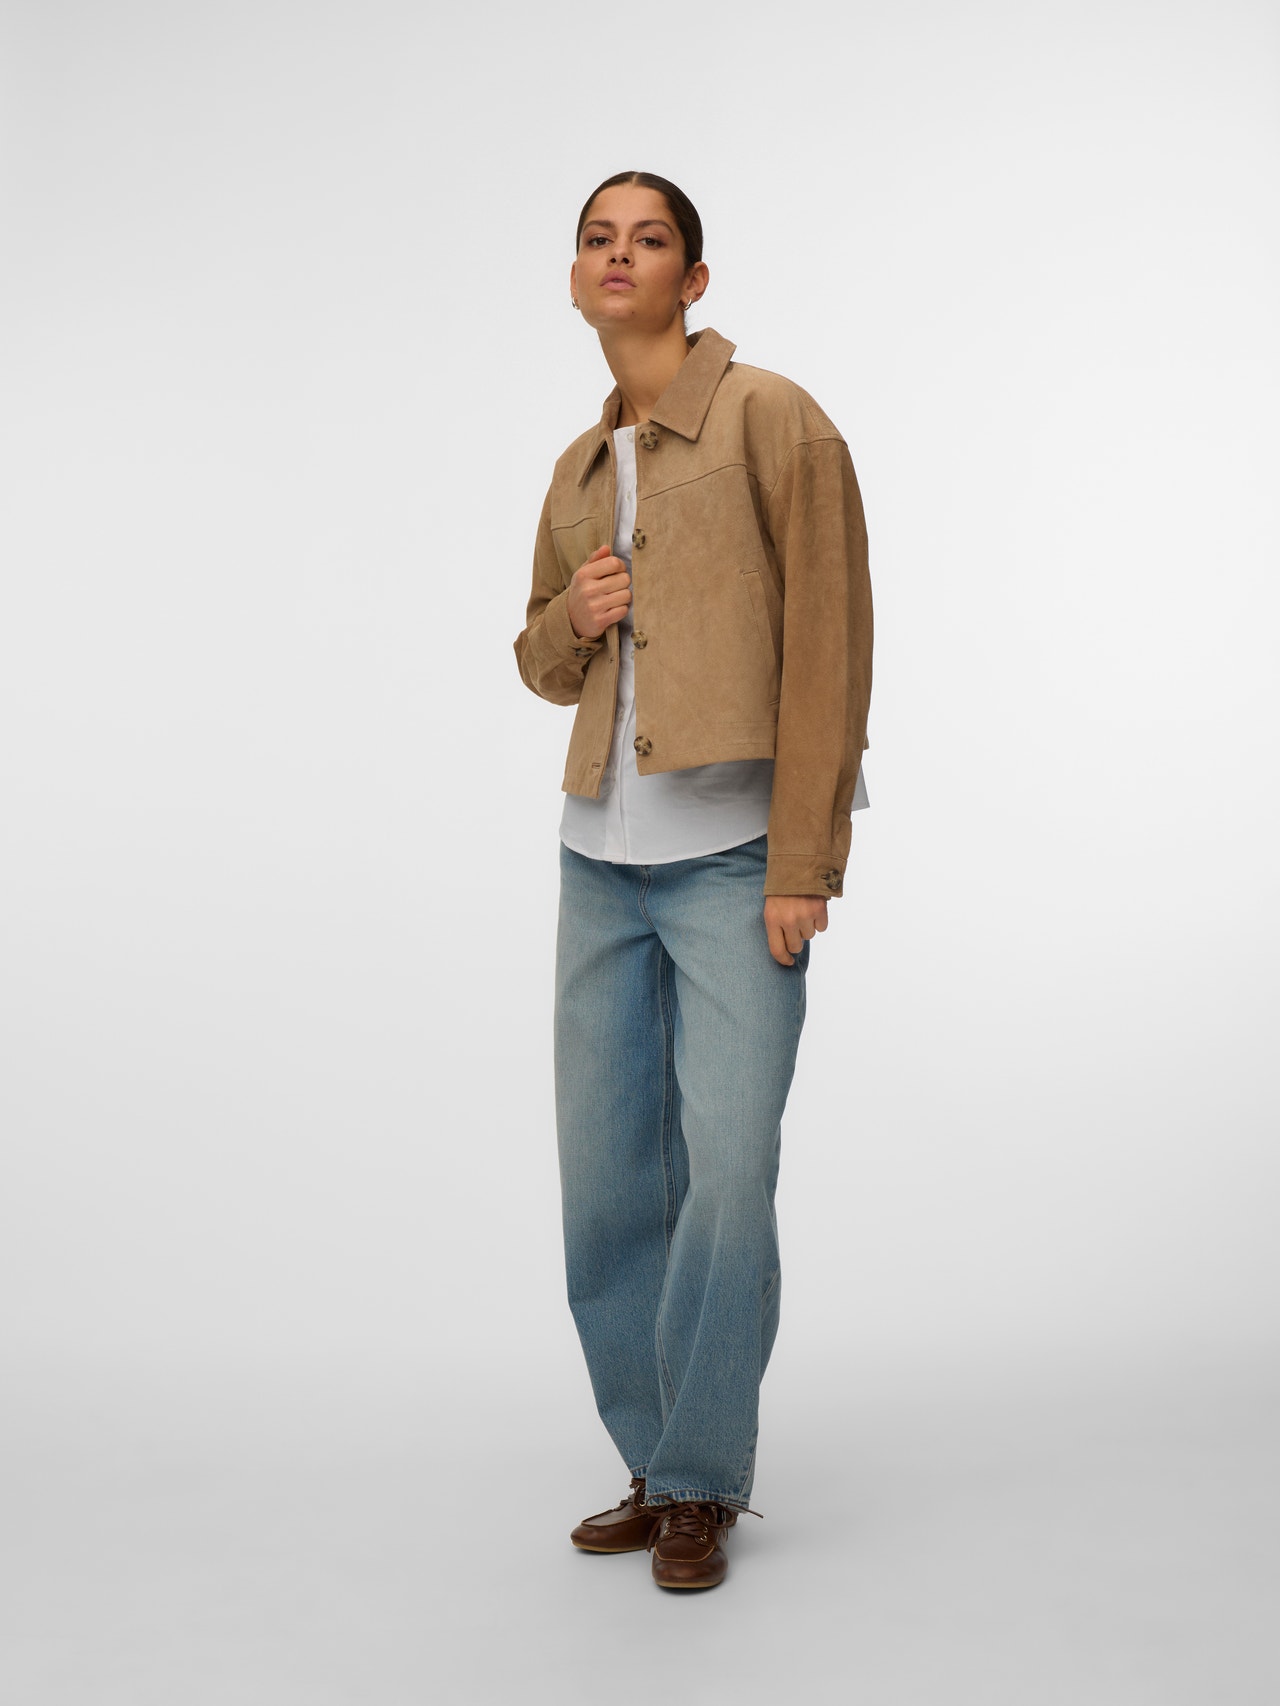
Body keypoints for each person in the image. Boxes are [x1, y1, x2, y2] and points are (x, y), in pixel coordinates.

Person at [513, 171, 873, 1592]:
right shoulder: (575, 468)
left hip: (733, 865)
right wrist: (573, 611)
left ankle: (705, 1478)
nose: (619, 257)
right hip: (597, 865)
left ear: (695, 278)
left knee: (728, 1172)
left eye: (648, 238)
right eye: (597, 239)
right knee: (606, 1181)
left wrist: (804, 858)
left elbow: (832, 643)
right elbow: (540, 664)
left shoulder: (774, 418)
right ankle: (656, 1462)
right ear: (575, 278)